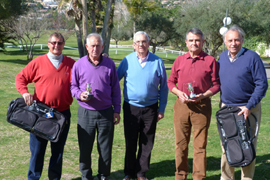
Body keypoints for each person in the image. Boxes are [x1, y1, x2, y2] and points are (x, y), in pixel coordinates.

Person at [15, 32, 75, 180]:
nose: (56, 45)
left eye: (60, 43)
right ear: (48, 44)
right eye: (54, 42)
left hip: (62, 114)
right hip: (41, 113)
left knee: (58, 151)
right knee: (37, 150)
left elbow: (86, 71)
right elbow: (20, 78)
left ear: (63, 45)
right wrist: (24, 93)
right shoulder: (38, 62)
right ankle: (33, 177)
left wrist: (102, 58)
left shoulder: (71, 63)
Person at [167, 28, 220, 180]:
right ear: (186, 42)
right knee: (180, 144)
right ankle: (180, 175)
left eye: (197, 40)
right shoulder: (179, 60)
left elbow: (216, 85)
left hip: (202, 107)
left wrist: (203, 95)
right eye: (191, 40)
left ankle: (198, 177)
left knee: (200, 146)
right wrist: (178, 93)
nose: (194, 43)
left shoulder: (210, 61)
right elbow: (170, 81)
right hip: (182, 106)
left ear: (203, 42)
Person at [218, 25, 268, 180]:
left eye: (237, 40)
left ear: (242, 40)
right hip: (227, 108)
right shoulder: (222, 57)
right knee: (227, 145)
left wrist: (249, 106)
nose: (233, 43)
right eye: (230, 40)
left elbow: (262, 84)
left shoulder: (252, 57)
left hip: (247, 108)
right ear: (225, 42)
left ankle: (247, 178)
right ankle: (226, 178)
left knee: (247, 145)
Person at [117, 31, 168, 180]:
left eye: (144, 41)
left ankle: (141, 173)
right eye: (138, 42)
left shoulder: (157, 61)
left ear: (149, 44)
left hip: (151, 108)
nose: (141, 44)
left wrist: (161, 109)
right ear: (133, 45)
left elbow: (163, 88)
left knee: (147, 142)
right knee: (130, 140)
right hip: (131, 107)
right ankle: (129, 172)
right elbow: (114, 79)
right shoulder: (127, 60)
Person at [70, 33, 121, 180]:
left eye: (98, 45)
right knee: (85, 148)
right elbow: (73, 86)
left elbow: (116, 89)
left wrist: (116, 110)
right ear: (87, 47)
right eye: (92, 45)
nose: (95, 48)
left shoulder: (109, 64)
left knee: (105, 148)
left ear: (103, 47)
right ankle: (86, 176)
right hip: (86, 113)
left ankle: (103, 175)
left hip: (106, 112)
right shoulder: (78, 64)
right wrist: (80, 95)